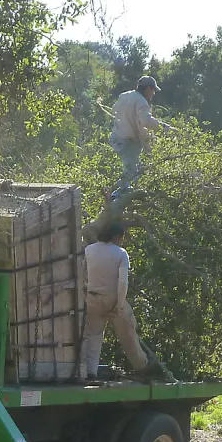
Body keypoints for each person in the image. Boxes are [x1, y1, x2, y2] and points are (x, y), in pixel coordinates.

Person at [80, 221, 152, 382]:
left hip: (92, 297)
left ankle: (90, 371)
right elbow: (122, 282)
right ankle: (141, 365)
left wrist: (85, 291)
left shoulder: (89, 250)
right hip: (113, 297)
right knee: (128, 330)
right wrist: (119, 305)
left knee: (93, 334)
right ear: (115, 236)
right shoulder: (121, 253)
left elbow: (82, 274)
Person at [110, 75, 170, 189]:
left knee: (134, 170)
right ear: (147, 88)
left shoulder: (124, 96)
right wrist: (166, 128)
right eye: (153, 90)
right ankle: (116, 198)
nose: (153, 94)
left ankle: (116, 194)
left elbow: (116, 111)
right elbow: (146, 121)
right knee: (131, 175)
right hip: (127, 142)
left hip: (116, 138)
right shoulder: (141, 101)